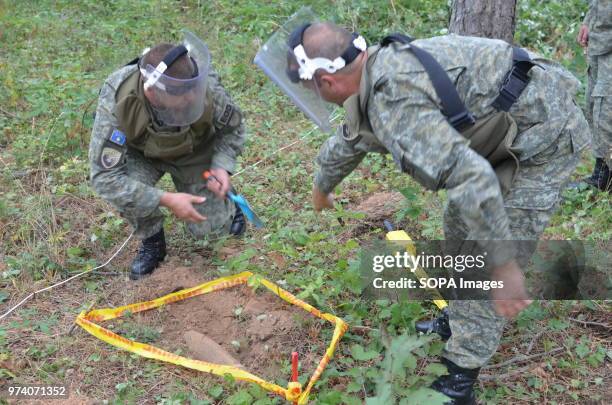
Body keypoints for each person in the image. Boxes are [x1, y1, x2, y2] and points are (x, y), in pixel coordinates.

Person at [255, 15, 590, 404]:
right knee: (457, 222)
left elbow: (474, 180)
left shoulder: (395, 101)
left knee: (484, 261)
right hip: (502, 132)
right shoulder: (373, 70)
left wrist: (504, 263)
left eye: (313, 89)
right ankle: (460, 317)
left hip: (543, 138)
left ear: (327, 82)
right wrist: (322, 184)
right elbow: (351, 136)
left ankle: (459, 379)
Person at [89, 30, 246, 280]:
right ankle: (152, 239)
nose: (193, 98)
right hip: (144, 154)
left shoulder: (202, 85)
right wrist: (166, 199)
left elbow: (234, 128)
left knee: (210, 233)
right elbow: (105, 178)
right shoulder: (119, 95)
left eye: (194, 91)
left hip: (193, 152)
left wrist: (221, 166)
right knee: (127, 188)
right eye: (183, 97)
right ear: (153, 91)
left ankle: (230, 202)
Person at [576, 0, 612, 192]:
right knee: (595, 105)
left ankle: (606, 178)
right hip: (600, 42)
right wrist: (589, 21)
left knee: (606, 109)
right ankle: (601, 172)